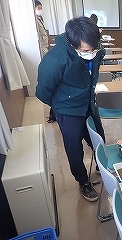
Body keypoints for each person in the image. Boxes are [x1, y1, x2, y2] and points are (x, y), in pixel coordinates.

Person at [35, 16, 106, 202]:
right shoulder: (55, 59)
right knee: (74, 148)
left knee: (99, 138)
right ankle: (83, 181)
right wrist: (61, 106)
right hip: (67, 111)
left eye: (94, 48)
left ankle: (103, 166)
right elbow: (43, 91)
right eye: (85, 50)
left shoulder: (97, 51)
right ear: (73, 43)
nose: (91, 52)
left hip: (89, 104)